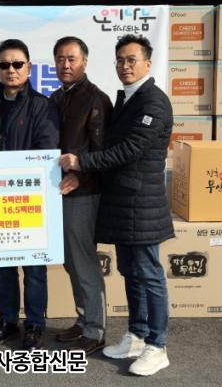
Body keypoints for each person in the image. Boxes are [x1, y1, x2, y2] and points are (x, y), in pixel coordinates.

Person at [59, 34, 174, 376]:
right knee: (130, 271)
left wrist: (80, 162)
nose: (125, 66)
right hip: (124, 203)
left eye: (132, 60)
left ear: (148, 63)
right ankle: (137, 335)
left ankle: (157, 346)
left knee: (149, 274)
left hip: (142, 203)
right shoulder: (126, 99)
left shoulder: (153, 102)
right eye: (120, 60)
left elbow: (129, 150)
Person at [0, 39, 59, 350]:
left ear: (29, 67)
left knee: (34, 268)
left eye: (17, 64)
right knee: (3, 266)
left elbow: (47, 149)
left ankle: (35, 323)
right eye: (4, 64)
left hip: (31, 198)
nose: (11, 70)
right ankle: (8, 320)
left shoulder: (42, 105)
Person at [49, 36, 113, 355]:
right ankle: (84, 318)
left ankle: (95, 329)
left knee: (83, 261)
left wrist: (80, 174)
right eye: (60, 59)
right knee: (69, 260)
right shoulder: (56, 97)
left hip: (85, 193)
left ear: (84, 62)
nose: (66, 64)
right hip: (58, 191)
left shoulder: (96, 99)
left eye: (72, 59)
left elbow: (104, 153)